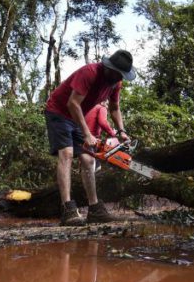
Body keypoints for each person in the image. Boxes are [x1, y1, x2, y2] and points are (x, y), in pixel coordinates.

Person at [45, 50, 135, 225]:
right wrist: (87, 133)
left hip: (76, 116)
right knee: (67, 154)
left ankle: (94, 209)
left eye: (121, 76)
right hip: (58, 111)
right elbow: (72, 103)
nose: (118, 78)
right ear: (109, 67)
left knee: (88, 159)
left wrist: (121, 132)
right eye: (117, 74)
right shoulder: (90, 72)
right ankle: (68, 210)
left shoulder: (115, 83)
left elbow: (115, 108)